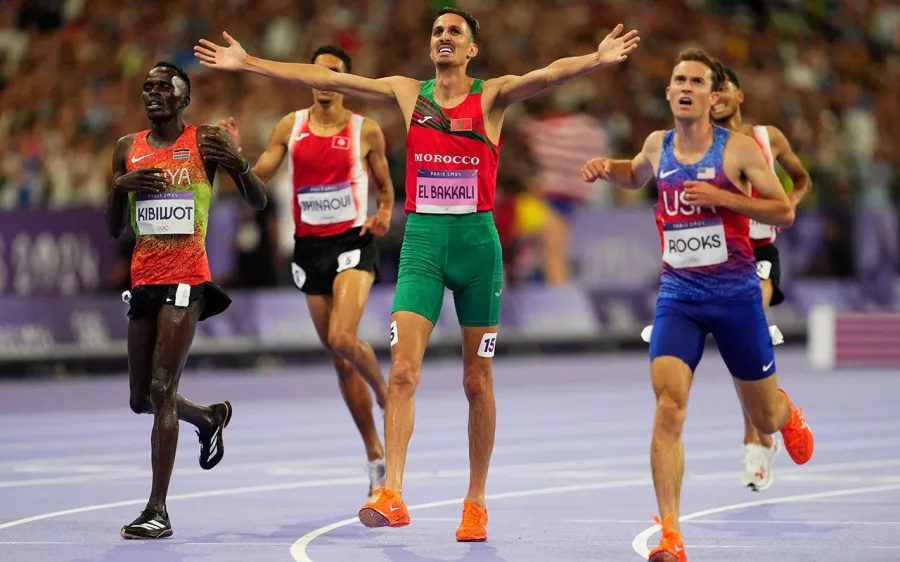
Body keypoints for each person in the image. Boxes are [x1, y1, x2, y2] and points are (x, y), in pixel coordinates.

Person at [194, 8, 639, 542]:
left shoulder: (491, 95)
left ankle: (475, 501)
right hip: (423, 245)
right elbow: (328, 78)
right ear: (430, 47)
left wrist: (595, 58)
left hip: (478, 249)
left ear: (472, 48)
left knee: (477, 381)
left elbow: (546, 75)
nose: (444, 37)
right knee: (403, 371)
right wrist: (251, 63)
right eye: (437, 31)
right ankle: (394, 492)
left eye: (455, 31)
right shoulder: (409, 92)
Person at [581, 49, 814, 561]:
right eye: (678, 79)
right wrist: (608, 168)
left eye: (696, 81)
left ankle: (786, 414)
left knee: (765, 415)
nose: (686, 87)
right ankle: (671, 533)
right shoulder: (656, 145)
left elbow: (782, 210)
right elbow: (635, 171)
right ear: (669, 93)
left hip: (736, 298)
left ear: (714, 97)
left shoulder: (741, 151)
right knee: (668, 408)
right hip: (678, 299)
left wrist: (727, 198)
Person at [217, 45, 392, 497]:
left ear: (346, 82)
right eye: (316, 72)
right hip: (309, 249)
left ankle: (388, 396)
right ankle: (375, 454)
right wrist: (236, 159)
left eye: (333, 73)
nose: (323, 80)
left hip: (354, 243)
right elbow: (255, 186)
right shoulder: (289, 127)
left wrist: (386, 211)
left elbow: (386, 188)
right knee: (339, 360)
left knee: (342, 337)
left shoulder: (365, 130)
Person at [105, 61, 267, 540]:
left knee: (161, 387)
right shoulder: (125, 149)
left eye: (163, 88)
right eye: (146, 88)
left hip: (187, 279)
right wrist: (119, 189)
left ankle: (158, 509)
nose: (152, 94)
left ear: (183, 98)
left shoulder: (204, 141)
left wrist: (239, 163)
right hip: (144, 279)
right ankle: (209, 416)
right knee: (140, 400)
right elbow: (114, 226)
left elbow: (256, 200)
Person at [642, 67, 814, 494]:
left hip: (757, 252)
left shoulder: (764, 138)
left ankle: (761, 428)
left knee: (753, 302)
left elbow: (802, 180)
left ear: (736, 94)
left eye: (718, 88)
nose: (712, 95)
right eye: (703, 87)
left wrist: (787, 200)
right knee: (706, 386)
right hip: (704, 266)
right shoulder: (695, 143)